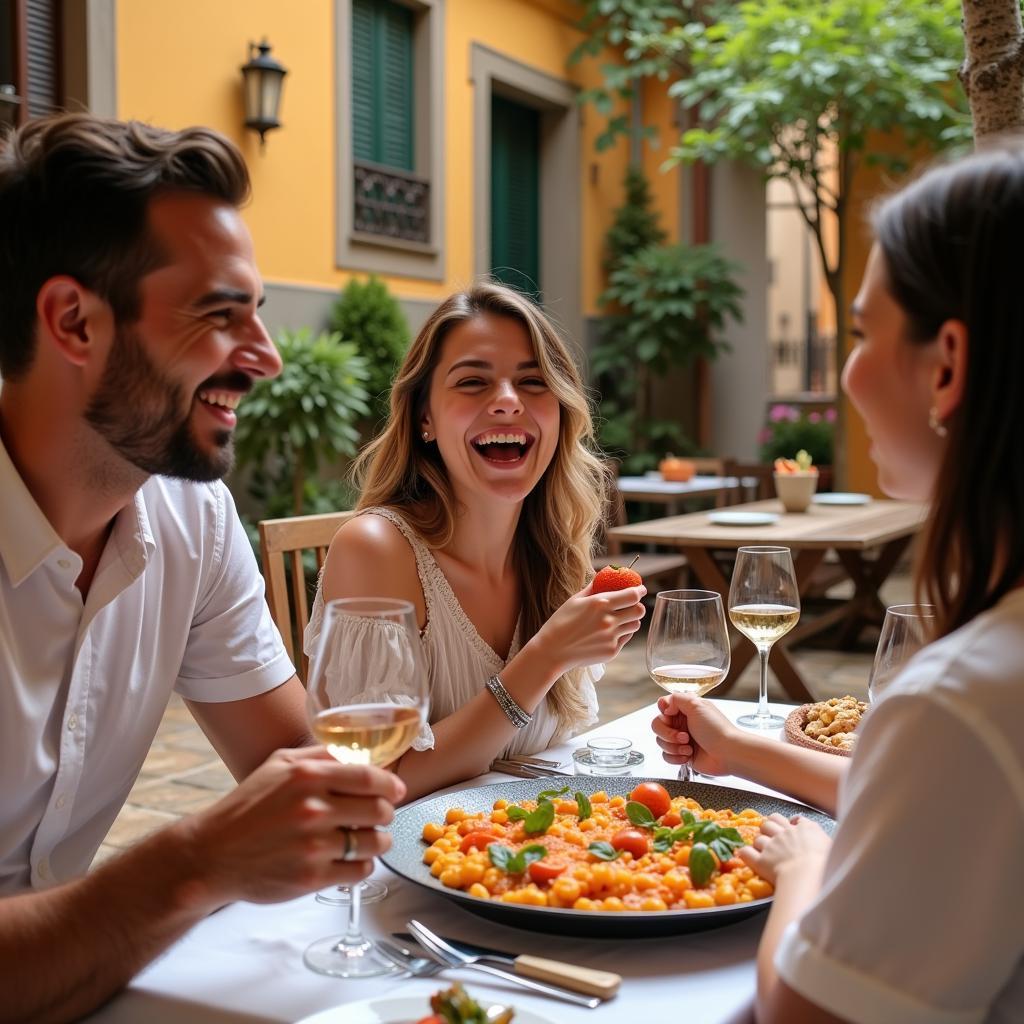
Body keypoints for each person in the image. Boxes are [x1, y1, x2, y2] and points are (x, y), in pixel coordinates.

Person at [0, 113, 403, 1024]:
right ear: (73, 321)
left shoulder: (192, 516)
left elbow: (307, 772)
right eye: (222, 315)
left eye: (258, 313)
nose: (263, 357)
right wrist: (192, 863)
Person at [653, 145, 1024, 1022]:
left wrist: (804, 870)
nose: (850, 370)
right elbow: (942, 798)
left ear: (948, 366)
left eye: (861, 334)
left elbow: (800, 1013)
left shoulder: (967, 695)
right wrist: (741, 750)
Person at [307, 282, 646, 800]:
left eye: (533, 382)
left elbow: (557, 751)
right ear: (425, 418)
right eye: (472, 382)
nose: (508, 402)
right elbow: (375, 783)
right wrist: (545, 657)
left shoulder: (552, 552)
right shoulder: (376, 550)